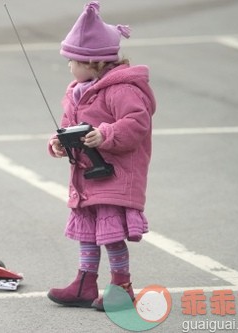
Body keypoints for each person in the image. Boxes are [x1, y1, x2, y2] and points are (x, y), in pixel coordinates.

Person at [47, 1, 156, 311]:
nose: (69, 65)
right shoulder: (77, 90)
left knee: (110, 234)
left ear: (92, 62)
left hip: (114, 174)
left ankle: (122, 286)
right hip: (86, 176)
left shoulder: (122, 89)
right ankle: (85, 282)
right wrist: (58, 142)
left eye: (73, 60)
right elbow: (70, 126)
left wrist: (105, 134)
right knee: (88, 232)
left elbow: (136, 124)